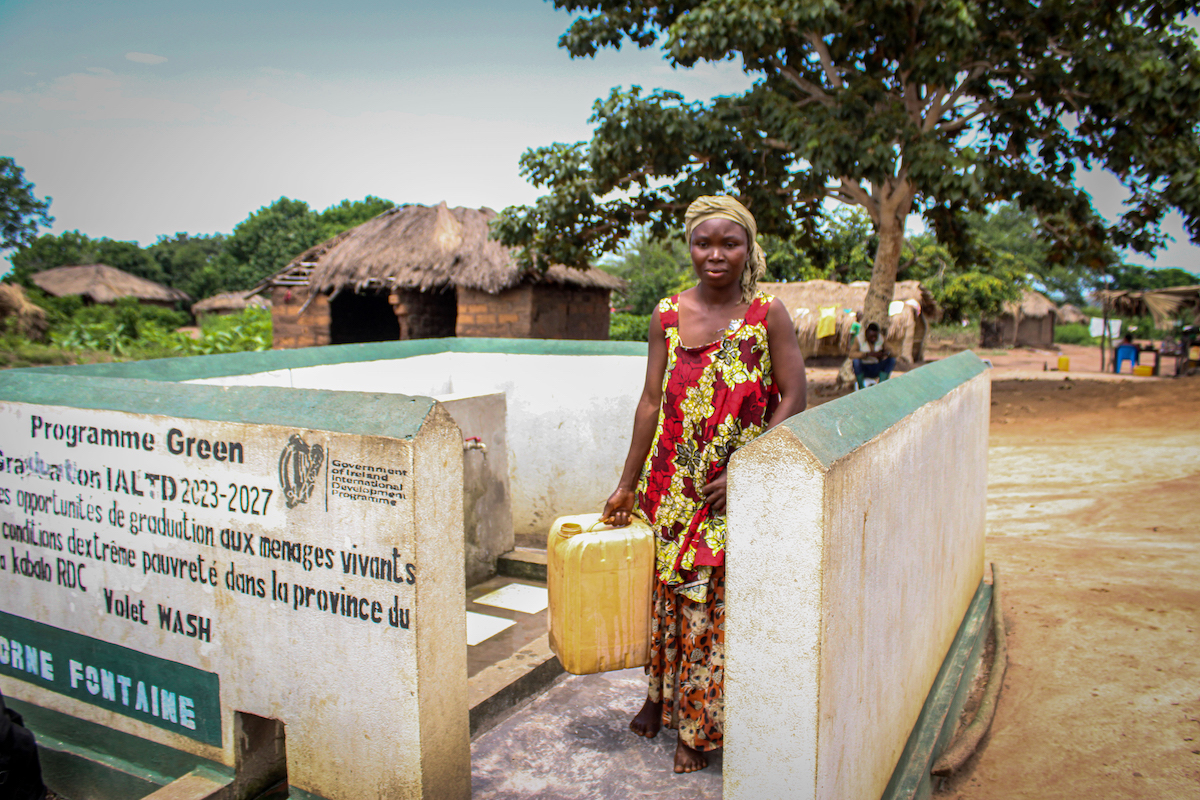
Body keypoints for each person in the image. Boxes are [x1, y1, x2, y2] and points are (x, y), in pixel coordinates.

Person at [600, 196, 807, 774]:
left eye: (729, 243)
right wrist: (626, 482)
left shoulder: (768, 314)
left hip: (726, 490)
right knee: (665, 598)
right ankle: (656, 697)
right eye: (703, 243)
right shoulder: (667, 314)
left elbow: (793, 394)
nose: (715, 255)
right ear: (690, 247)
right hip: (669, 486)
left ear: (749, 249)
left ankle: (695, 729)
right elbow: (649, 400)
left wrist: (749, 471)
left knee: (706, 611)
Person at [852, 322, 895, 388]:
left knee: (892, 360)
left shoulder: (881, 338)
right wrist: (868, 354)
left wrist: (885, 353)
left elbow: (894, 352)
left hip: (876, 367)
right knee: (856, 361)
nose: (874, 338)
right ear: (866, 333)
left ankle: (881, 385)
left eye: (875, 336)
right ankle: (861, 386)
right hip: (864, 368)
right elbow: (851, 354)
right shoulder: (859, 338)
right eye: (871, 336)